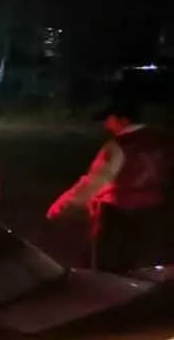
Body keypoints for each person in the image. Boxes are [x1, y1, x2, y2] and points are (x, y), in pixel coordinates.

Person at [47, 101, 173, 272]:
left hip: (117, 212)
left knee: (107, 265)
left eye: (108, 119)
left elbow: (97, 181)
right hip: (154, 210)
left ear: (121, 120)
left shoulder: (118, 145)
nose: (106, 125)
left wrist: (64, 205)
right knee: (143, 264)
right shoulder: (161, 141)